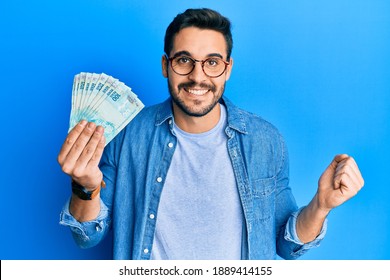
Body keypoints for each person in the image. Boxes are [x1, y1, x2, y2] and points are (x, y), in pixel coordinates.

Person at [58, 8, 364, 260]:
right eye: (184, 60)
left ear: (228, 69)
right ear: (166, 65)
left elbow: (286, 244)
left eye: (212, 63)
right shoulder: (127, 134)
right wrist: (85, 187)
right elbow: (87, 235)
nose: (197, 76)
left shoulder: (265, 141)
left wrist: (321, 205)